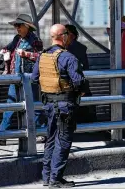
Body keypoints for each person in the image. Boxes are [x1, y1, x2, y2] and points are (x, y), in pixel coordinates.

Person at [31, 24, 87, 188]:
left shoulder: (43, 56)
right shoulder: (68, 57)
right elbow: (78, 81)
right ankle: (55, 179)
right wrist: (82, 89)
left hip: (49, 104)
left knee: (50, 140)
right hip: (65, 105)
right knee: (63, 141)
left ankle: (47, 177)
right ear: (63, 36)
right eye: (68, 34)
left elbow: (35, 78)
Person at [0, 14, 43, 146]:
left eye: (19, 25)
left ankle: (40, 132)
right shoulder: (17, 38)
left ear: (27, 26)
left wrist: (25, 54)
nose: (17, 28)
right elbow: (9, 47)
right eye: (16, 26)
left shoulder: (35, 40)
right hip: (16, 77)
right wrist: (4, 50)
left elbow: (40, 56)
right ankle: (1, 134)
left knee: (33, 104)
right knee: (10, 104)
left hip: (28, 77)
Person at [65, 24, 96, 123]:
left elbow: (82, 67)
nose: (64, 35)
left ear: (73, 36)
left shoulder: (77, 48)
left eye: (66, 33)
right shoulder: (65, 47)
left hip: (76, 83)